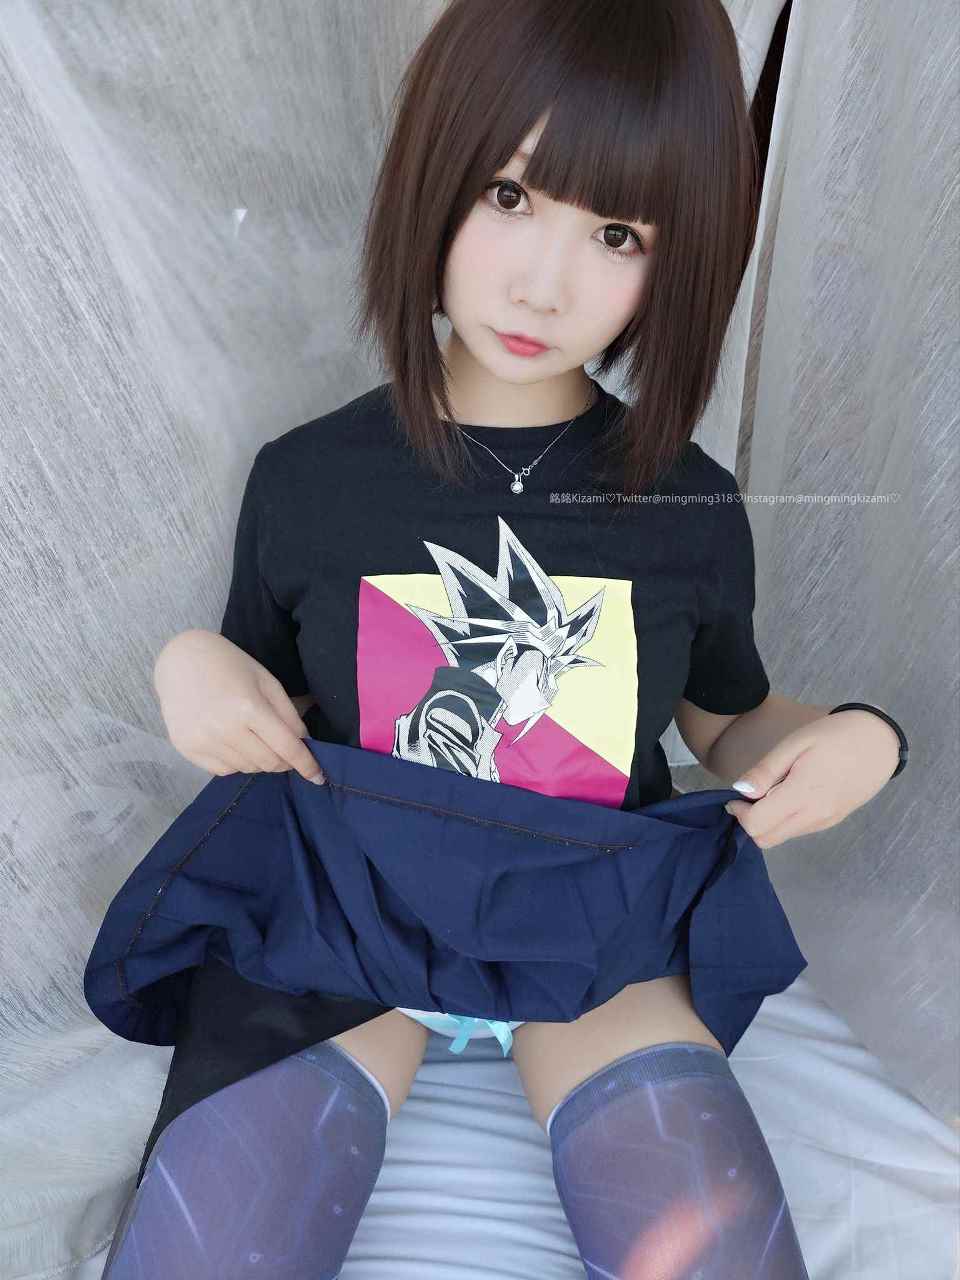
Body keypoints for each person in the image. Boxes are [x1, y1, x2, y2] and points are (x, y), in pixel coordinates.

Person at [98, 1, 907, 1276]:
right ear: (437, 171)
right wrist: (185, 665)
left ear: (677, 259)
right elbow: (265, 702)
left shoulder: (688, 504)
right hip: (345, 913)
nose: (544, 281)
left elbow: (726, 719)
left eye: (617, 232)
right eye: (510, 194)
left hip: (596, 924)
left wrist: (863, 739)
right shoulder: (308, 480)